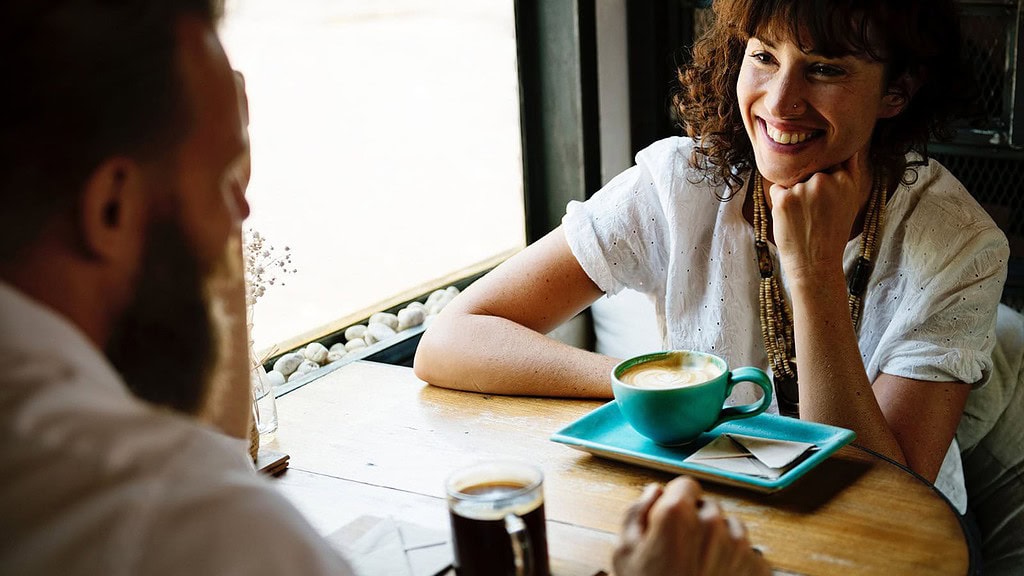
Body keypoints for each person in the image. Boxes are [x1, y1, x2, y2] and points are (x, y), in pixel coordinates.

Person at [0, 1, 766, 574]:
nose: (242, 220)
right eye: (226, 185)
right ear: (110, 209)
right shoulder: (184, 522)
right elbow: (206, 470)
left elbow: (213, 448)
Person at [415, 0, 1009, 517]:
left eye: (825, 68)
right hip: (712, 506)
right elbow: (451, 340)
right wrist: (656, 391)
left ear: (896, 92)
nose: (780, 103)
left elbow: (885, 496)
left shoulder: (962, 245)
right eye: (764, 56)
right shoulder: (681, 184)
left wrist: (814, 273)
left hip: (896, 542)